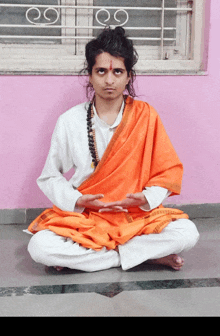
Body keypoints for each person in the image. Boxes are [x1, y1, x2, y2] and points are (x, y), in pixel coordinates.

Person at [27, 27, 199, 272]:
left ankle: (94, 258)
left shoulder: (146, 116)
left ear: (128, 76)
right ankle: (139, 256)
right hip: (87, 216)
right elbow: (50, 175)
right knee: (40, 247)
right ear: (90, 75)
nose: (109, 80)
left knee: (187, 233)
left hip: (134, 216)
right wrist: (77, 199)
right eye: (101, 71)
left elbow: (167, 171)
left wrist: (147, 198)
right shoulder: (70, 120)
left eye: (118, 71)